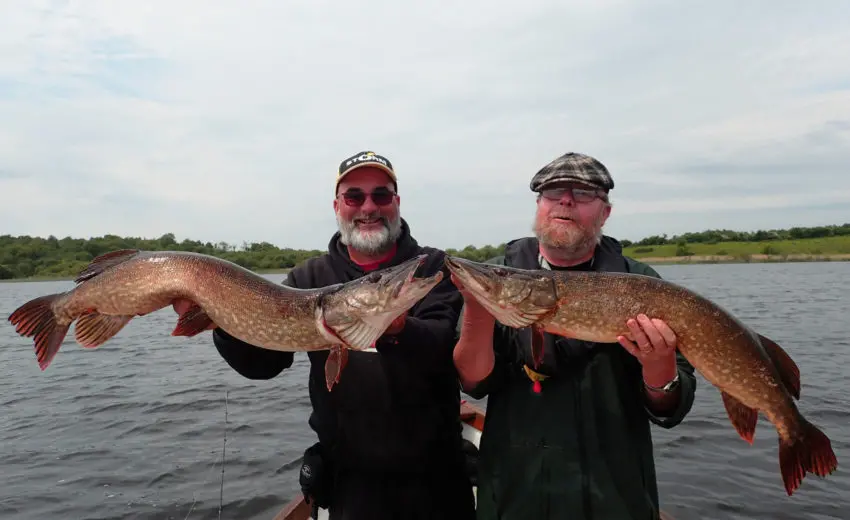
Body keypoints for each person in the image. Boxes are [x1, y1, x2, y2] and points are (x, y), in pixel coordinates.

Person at [174, 151, 475, 520]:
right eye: (354, 197)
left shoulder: (428, 268)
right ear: (338, 206)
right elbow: (264, 363)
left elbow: (445, 346)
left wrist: (391, 324)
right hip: (350, 482)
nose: (368, 207)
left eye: (381, 196)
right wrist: (220, 320)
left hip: (436, 479)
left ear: (396, 203)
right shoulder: (309, 277)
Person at [452, 152, 698, 520]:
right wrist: (476, 306)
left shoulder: (641, 283)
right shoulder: (502, 279)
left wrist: (659, 367)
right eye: (553, 193)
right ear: (539, 205)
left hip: (614, 499)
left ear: (605, 212)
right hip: (516, 497)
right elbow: (473, 380)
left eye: (583, 194)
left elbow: (671, 406)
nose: (565, 201)